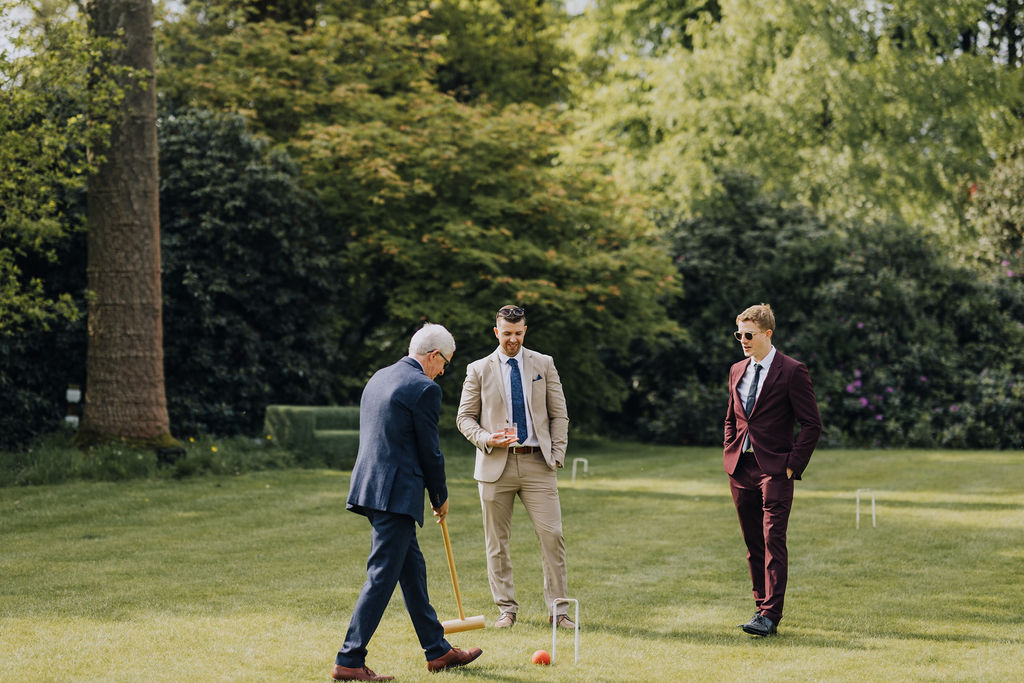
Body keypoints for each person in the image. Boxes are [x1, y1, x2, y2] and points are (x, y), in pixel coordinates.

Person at [332, 324, 482, 681]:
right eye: (444, 362)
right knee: (382, 575)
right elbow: (429, 450)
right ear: (432, 356)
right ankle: (349, 659)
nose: (443, 370)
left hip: (370, 488)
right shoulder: (424, 388)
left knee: (412, 571)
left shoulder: (380, 377)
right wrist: (440, 496)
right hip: (396, 494)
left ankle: (438, 650)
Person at [456, 305, 574, 630]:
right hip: (496, 464)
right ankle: (506, 610)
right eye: (507, 334)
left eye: (518, 333)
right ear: (496, 332)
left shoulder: (544, 364)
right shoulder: (478, 369)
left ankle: (558, 611)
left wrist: (558, 453)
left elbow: (559, 413)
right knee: (497, 542)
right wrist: (486, 438)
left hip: (538, 461)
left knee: (553, 536)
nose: (513, 340)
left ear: (525, 330)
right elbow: (464, 418)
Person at [724, 303, 821, 637]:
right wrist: (729, 452)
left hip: (776, 470)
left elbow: (812, 424)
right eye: (739, 334)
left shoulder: (792, 370)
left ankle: (770, 615)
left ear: (767, 334)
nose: (743, 340)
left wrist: (793, 465)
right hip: (741, 468)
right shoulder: (737, 370)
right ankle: (759, 607)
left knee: (773, 539)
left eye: (749, 335)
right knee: (753, 544)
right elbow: (732, 418)